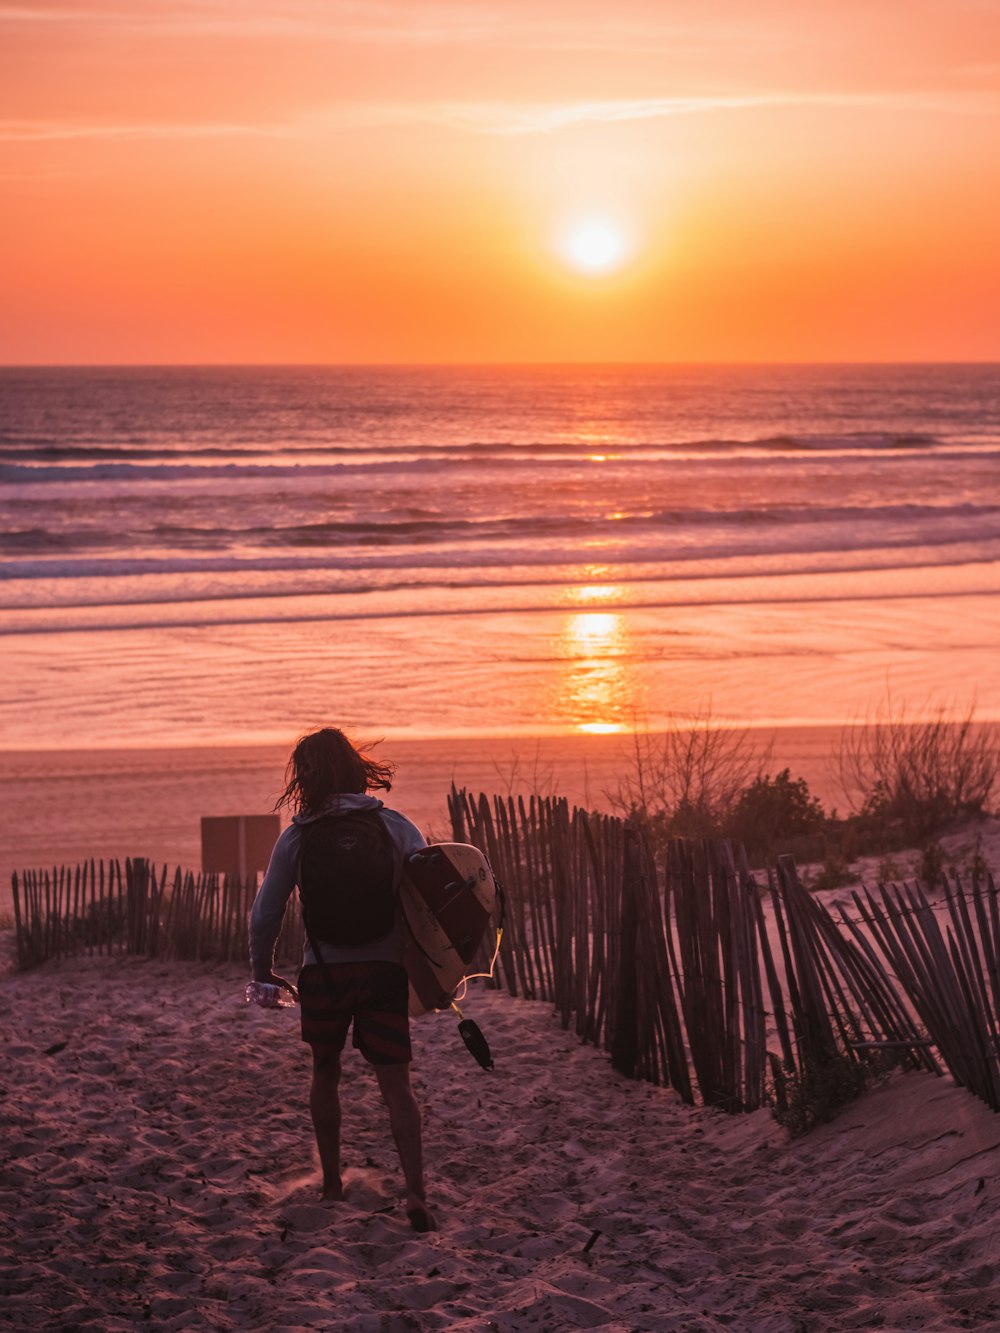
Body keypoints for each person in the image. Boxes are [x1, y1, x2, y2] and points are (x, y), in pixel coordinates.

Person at [248, 727, 436, 1232]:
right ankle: (416, 1193)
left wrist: (261, 968)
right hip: (384, 971)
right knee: (397, 1084)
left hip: (323, 972)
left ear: (304, 778)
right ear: (358, 769)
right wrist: (438, 970)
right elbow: (431, 901)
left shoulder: (299, 835)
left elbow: (265, 912)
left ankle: (331, 1183)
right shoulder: (395, 827)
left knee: (325, 1071)